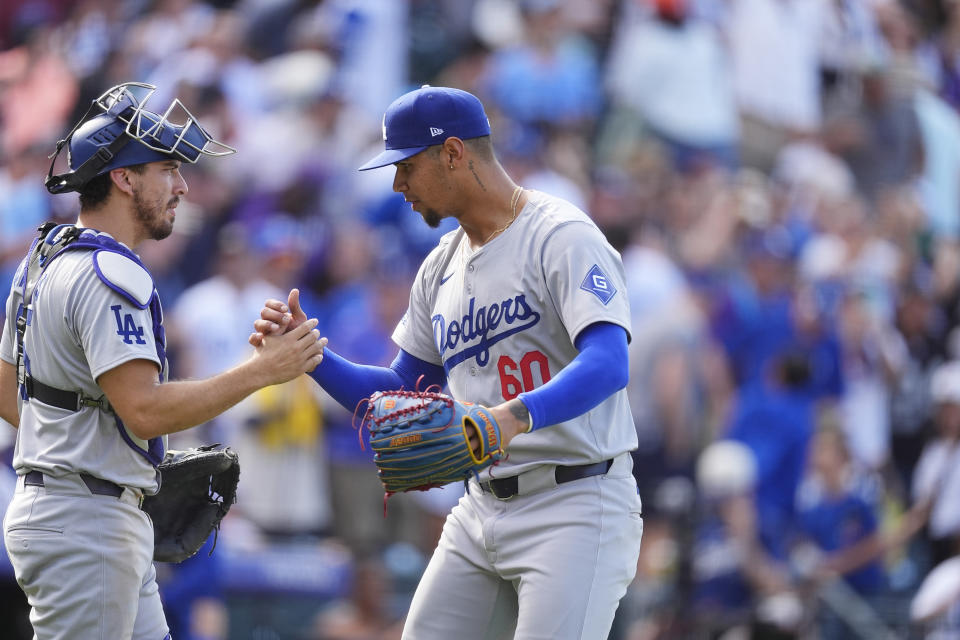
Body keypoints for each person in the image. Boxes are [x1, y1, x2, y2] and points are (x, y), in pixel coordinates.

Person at [252, 85, 644, 639]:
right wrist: (311, 357)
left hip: (576, 500)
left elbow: (608, 363)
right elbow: (397, 388)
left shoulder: (559, 234)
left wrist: (510, 416)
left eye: (407, 166)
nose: (397, 184)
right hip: (480, 506)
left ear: (453, 153)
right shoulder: (439, 267)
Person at [0, 82, 325, 639]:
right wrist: (262, 370)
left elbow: (10, 395)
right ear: (124, 178)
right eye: (167, 170)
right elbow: (145, 412)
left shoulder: (42, 257)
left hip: (75, 511)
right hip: (87, 525)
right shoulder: (113, 273)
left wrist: (106, 455)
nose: (182, 185)